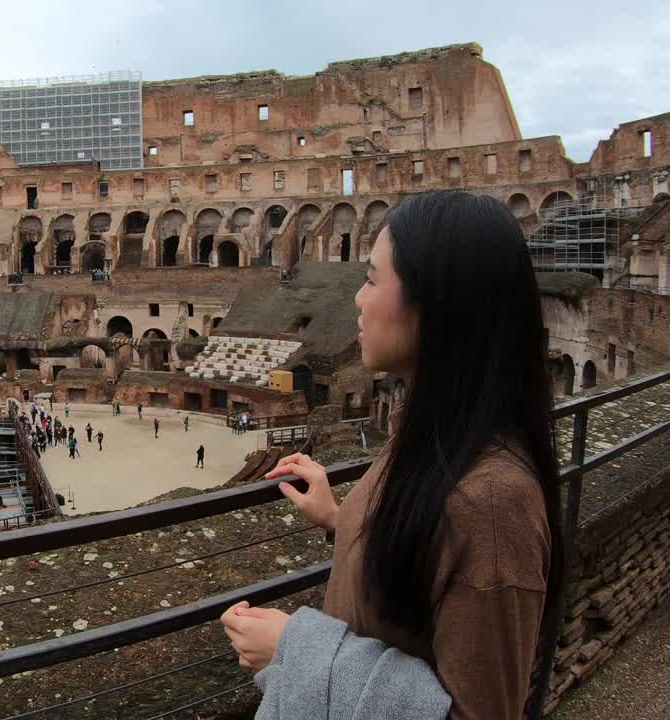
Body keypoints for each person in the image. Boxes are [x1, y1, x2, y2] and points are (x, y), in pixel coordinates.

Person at [220, 191, 562, 720]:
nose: (358, 298)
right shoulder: (432, 437)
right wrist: (341, 518)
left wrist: (296, 647)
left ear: (438, 302)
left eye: (373, 279)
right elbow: (429, 561)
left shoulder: (495, 505)